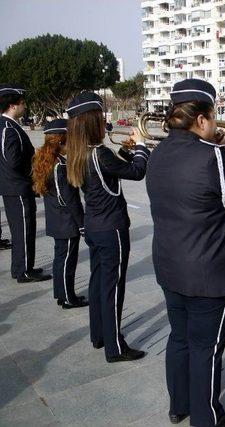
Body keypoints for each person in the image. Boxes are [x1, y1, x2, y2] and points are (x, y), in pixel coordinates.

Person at [146, 79, 225, 427]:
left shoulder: (158, 152)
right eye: (214, 116)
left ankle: (179, 405)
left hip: (171, 266)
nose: (217, 123)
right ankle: (207, 419)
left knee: (179, 338)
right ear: (201, 120)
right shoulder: (213, 157)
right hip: (211, 273)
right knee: (206, 349)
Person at [65, 91, 149, 362]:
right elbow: (137, 171)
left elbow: (114, 168)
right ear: (93, 123)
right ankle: (115, 346)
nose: (104, 122)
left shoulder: (79, 153)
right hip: (112, 228)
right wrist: (142, 147)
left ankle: (99, 335)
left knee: (98, 282)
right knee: (114, 287)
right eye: (100, 117)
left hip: (93, 226)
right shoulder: (100, 153)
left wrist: (128, 149)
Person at [32, 119, 87, 309]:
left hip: (57, 219)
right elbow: (69, 199)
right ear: (63, 140)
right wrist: (81, 223)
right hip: (66, 221)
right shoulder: (60, 165)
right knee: (67, 262)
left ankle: (60, 293)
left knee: (60, 259)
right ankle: (68, 298)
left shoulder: (48, 160)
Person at [0, 84, 51, 283]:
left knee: (22, 228)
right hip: (17, 186)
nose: (25, 107)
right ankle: (23, 271)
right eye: (22, 103)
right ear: (12, 106)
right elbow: (12, 160)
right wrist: (32, 171)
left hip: (12, 186)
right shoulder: (8, 128)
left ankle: (22, 267)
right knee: (23, 229)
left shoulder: (8, 126)